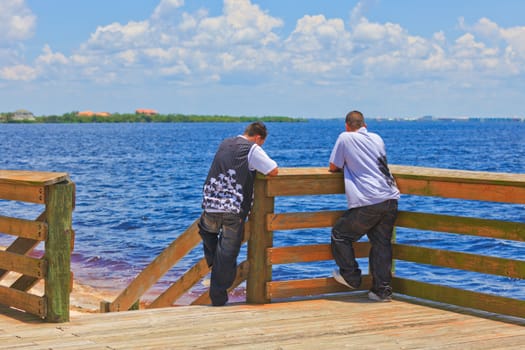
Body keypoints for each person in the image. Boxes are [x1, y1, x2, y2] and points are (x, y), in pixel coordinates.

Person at [199, 121, 278, 306]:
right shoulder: (252, 149)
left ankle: (215, 266)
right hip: (232, 209)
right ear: (258, 138)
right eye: (261, 143)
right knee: (227, 255)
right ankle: (218, 299)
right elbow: (272, 169)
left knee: (207, 233)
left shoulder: (225, 143)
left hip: (210, 204)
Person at [328, 110, 400, 302]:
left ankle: (351, 277)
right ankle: (382, 291)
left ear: (347, 126)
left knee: (340, 234)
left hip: (370, 200)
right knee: (381, 243)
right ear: (365, 126)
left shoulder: (345, 137)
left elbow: (334, 166)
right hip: (390, 197)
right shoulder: (377, 138)